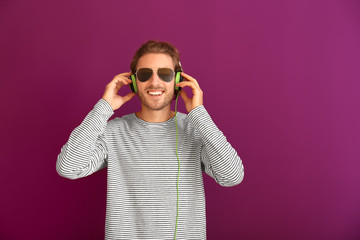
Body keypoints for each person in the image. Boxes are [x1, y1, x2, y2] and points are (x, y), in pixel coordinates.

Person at [57, 40, 244, 239]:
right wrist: (104, 107)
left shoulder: (196, 130)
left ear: (178, 80)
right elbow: (69, 168)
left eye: (165, 74)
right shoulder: (113, 132)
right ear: (135, 82)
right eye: (145, 74)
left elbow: (232, 176)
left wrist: (198, 114)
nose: (155, 82)